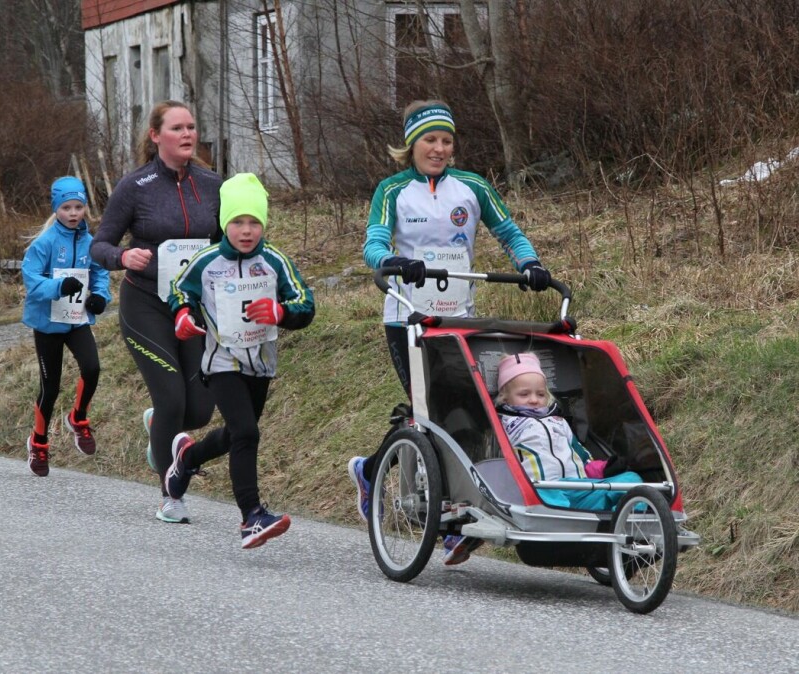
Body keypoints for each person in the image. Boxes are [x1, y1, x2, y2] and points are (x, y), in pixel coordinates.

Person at [347, 99, 552, 524]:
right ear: (411, 145)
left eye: (446, 141)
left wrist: (529, 265)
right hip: (407, 319)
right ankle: (376, 475)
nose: (439, 149)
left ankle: (456, 511)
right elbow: (373, 245)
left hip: (459, 316)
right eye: (430, 140)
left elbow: (509, 232)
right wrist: (392, 262)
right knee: (431, 410)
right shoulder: (392, 190)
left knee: (467, 411)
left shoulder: (472, 187)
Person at [164, 173, 315, 547]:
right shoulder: (208, 261)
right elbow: (178, 290)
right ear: (223, 223)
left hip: (261, 364)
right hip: (221, 363)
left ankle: (187, 457)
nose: (246, 231)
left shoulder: (275, 261)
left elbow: (306, 304)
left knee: (235, 436)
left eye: (254, 222)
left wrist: (281, 313)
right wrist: (183, 317)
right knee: (247, 433)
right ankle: (252, 516)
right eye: (237, 222)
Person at [91, 101, 222, 522]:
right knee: (169, 399)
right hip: (146, 304)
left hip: (193, 308)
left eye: (192, 127)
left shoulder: (212, 184)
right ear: (155, 136)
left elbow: (226, 241)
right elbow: (100, 245)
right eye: (177, 128)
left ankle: (159, 432)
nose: (187, 135)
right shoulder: (137, 186)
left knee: (199, 410)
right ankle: (171, 493)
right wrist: (123, 257)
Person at [444, 352, 644, 566]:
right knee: (548, 492)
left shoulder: (558, 422)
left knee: (632, 480)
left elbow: (580, 456)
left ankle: (625, 524)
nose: (534, 399)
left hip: (578, 488)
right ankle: (570, 522)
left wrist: (604, 469)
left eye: (540, 394)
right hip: (539, 491)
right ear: (505, 397)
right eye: (524, 394)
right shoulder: (504, 424)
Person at [21, 176, 111, 476]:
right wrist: (59, 286)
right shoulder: (44, 243)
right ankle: (39, 442)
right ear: (56, 209)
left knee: (93, 368)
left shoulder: (90, 242)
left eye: (79, 207)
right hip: (47, 324)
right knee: (51, 387)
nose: (73, 213)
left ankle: (78, 418)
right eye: (66, 208)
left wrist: (99, 296)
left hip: (75, 320)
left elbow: (99, 273)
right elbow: (32, 281)